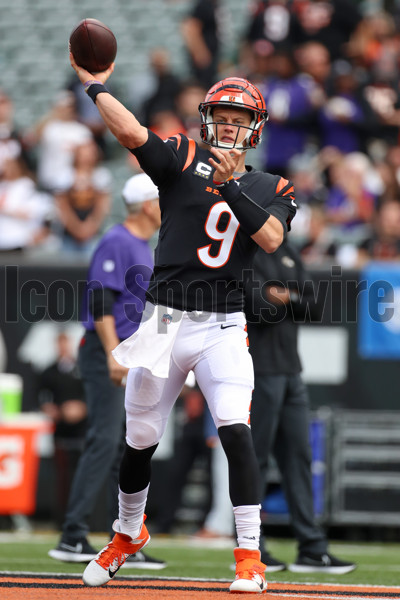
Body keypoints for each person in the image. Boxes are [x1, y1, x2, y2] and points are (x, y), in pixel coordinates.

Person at [70, 46, 296, 593]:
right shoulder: (182, 157)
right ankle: (128, 533)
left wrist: (230, 186)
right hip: (165, 322)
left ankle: (248, 557)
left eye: (240, 122)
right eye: (222, 119)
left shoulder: (272, 186)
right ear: (206, 122)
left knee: (236, 432)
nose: (229, 129)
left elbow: (270, 238)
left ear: (255, 131)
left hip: (222, 325)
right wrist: (97, 87)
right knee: (139, 440)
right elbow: (132, 136)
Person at [49, 172, 165, 571]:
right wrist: (115, 354)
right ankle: (73, 534)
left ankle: (125, 535)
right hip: (106, 353)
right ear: (149, 205)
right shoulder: (119, 240)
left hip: (127, 353)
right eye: (161, 199)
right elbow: (99, 301)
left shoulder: (142, 245)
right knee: (104, 439)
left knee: (124, 444)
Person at [245, 239, 356, 574]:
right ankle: (253, 547)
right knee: (255, 461)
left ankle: (311, 547)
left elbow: (314, 306)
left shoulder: (286, 250)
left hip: (291, 370)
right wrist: (285, 297)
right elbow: (257, 306)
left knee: (299, 458)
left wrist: (285, 295)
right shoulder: (243, 249)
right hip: (257, 369)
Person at [37, 331, 87, 527]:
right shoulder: (48, 371)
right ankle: (61, 520)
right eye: (60, 344)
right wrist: (51, 409)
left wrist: (82, 408)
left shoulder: (82, 369)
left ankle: (85, 519)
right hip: (60, 433)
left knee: (83, 476)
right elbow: (39, 396)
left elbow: (94, 394)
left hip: (82, 433)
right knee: (62, 477)